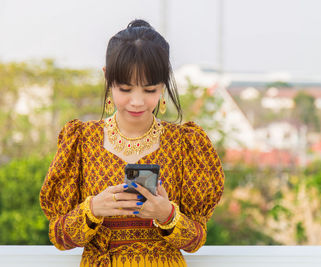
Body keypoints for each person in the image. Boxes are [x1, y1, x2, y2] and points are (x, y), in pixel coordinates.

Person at [39, 19, 225, 267]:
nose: (137, 102)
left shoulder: (185, 144)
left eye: (149, 90)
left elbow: (195, 240)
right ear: (108, 77)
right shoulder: (82, 140)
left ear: (163, 83)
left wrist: (166, 214)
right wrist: (93, 209)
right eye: (125, 89)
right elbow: (60, 237)